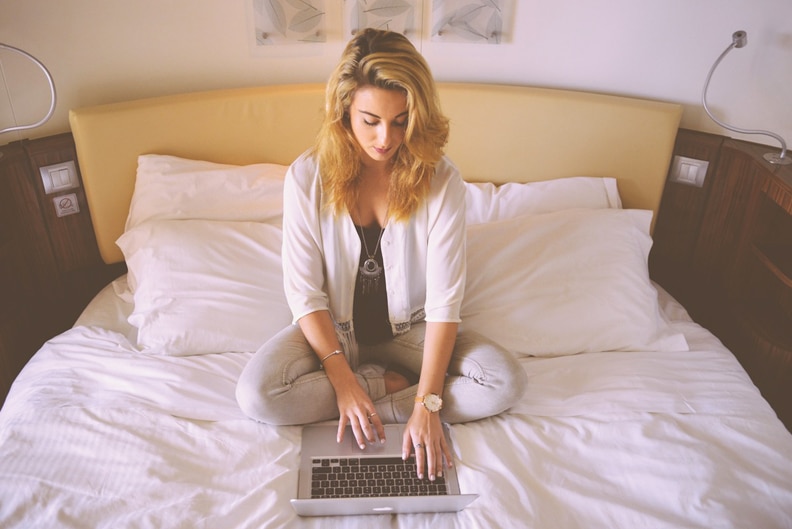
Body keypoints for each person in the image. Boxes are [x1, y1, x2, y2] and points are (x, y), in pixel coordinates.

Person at [236, 28, 527, 482]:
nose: (385, 138)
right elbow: (304, 293)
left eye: (400, 120)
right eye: (370, 120)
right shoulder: (306, 176)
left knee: (505, 381)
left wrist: (428, 405)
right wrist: (345, 381)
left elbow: (445, 303)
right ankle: (385, 387)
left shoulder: (441, 181)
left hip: (413, 330)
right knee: (258, 395)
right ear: (344, 110)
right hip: (334, 334)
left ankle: (399, 401)